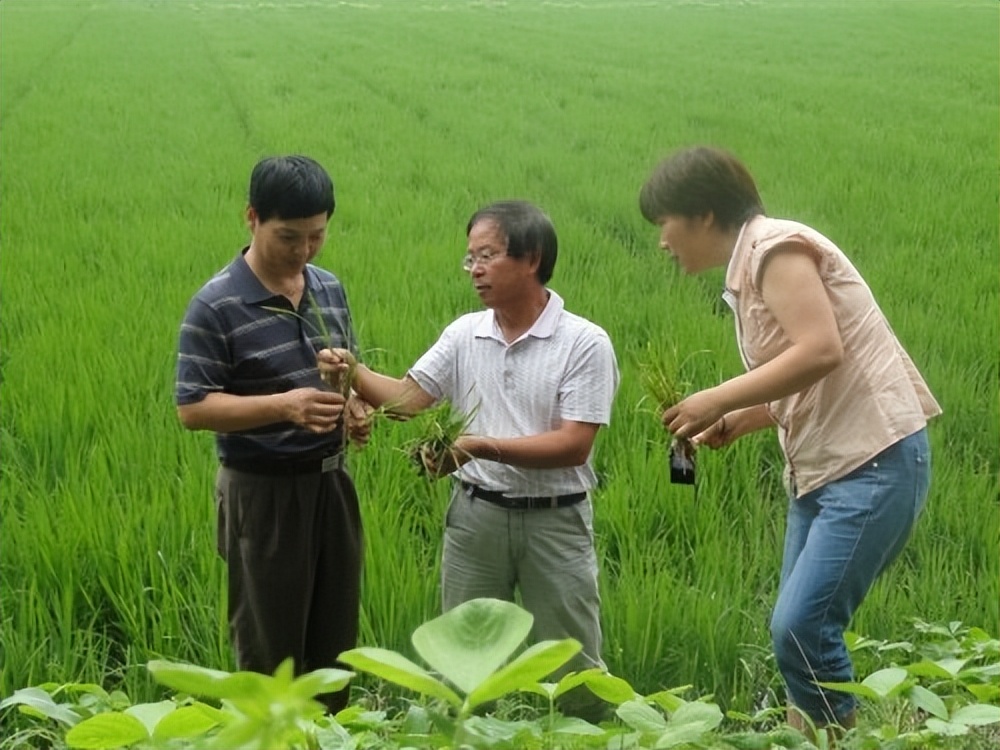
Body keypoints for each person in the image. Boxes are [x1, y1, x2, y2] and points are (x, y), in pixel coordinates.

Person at [638, 146, 941, 738]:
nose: (662, 242)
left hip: (872, 463)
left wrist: (718, 397)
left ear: (701, 214)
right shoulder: (751, 266)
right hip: (824, 471)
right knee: (799, 638)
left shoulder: (774, 248)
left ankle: (838, 740)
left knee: (802, 628)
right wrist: (740, 418)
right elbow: (806, 380)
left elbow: (822, 349)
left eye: (663, 224)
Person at [320, 200, 620, 721]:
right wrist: (352, 370)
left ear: (532, 259)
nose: (475, 270)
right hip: (476, 518)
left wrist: (476, 445)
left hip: (555, 520)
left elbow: (574, 445)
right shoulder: (465, 333)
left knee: (573, 666)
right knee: (461, 668)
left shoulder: (584, 342)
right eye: (470, 258)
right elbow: (408, 400)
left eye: (488, 256)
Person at [175, 155, 370, 714]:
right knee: (270, 655)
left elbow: (342, 373)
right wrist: (284, 407)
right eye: (289, 236)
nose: (304, 251)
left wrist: (354, 409)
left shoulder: (328, 288)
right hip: (263, 493)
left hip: (331, 488)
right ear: (252, 218)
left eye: (317, 236)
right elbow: (193, 408)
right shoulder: (215, 305)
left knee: (335, 652)